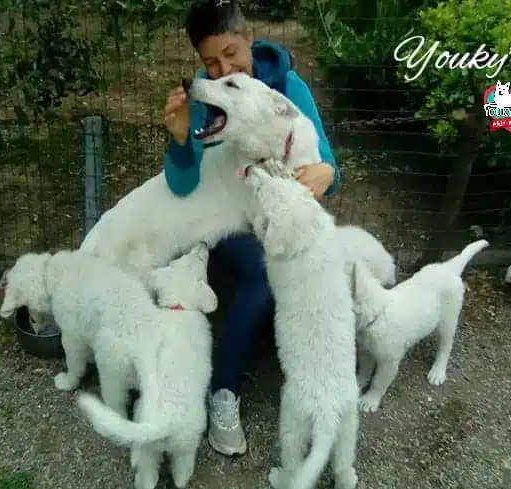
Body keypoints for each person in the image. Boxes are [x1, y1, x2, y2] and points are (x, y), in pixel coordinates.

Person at [161, 0, 341, 456]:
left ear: (249, 39)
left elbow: (326, 164)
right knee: (266, 270)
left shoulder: (289, 89)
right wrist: (181, 141)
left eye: (231, 53)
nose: (222, 70)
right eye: (209, 63)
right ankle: (224, 390)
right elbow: (184, 186)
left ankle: (321, 367)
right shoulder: (209, 102)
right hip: (229, 223)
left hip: (279, 213)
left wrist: (326, 174)